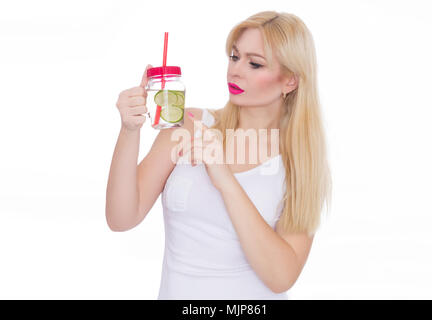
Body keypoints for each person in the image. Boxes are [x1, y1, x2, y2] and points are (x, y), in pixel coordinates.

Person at [106, 10, 332, 300]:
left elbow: (281, 277)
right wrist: (129, 131)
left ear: (290, 81)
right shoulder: (188, 125)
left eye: (254, 63)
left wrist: (224, 178)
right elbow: (121, 217)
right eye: (234, 56)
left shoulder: (299, 162)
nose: (235, 70)